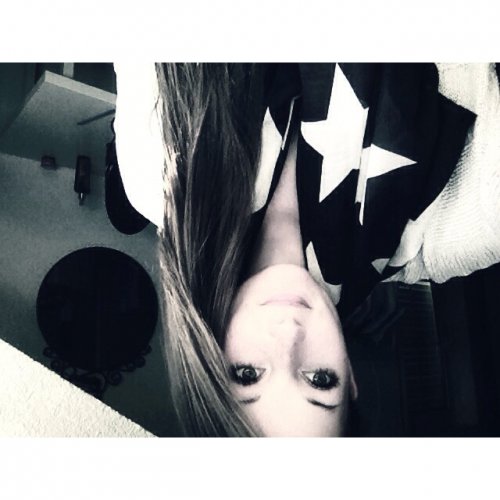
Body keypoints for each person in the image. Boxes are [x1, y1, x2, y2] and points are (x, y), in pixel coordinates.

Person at [114, 63, 500, 436]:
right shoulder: (459, 227)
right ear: (350, 378)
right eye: (319, 380)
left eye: (247, 374)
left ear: (208, 365)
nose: (289, 334)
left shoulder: (157, 177)